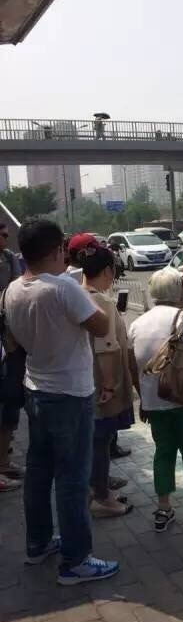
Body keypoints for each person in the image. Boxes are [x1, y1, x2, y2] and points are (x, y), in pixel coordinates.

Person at [4, 218, 120, 584]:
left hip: (35, 388)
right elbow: (101, 326)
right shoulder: (63, 288)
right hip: (70, 393)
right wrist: (89, 294)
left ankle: (38, 543)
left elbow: (13, 342)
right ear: (56, 251)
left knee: (39, 471)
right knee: (72, 478)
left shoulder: (11, 290)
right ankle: (76, 559)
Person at [128, 268, 183, 533]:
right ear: (178, 290)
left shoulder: (137, 324)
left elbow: (132, 367)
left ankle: (163, 509)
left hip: (154, 403)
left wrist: (143, 399)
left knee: (163, 453)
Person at [75, 238, 134, 517]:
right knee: (100, 441)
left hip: (85, 379)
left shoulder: (77, 294)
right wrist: (110, 385)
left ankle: (97, 490)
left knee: (93, 441)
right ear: (108, 271)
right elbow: (107, 346)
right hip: (102, 383)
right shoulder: (101, 301)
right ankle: (101, 497)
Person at [0, 222, 25, 492]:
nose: (7, 238)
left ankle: (4, 463)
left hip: (10, 343)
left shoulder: (8, 258)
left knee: (10, 406)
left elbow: (15, 290)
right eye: (3, 234)